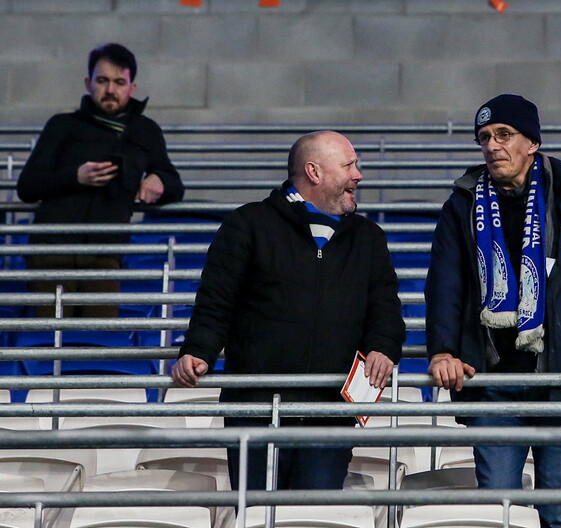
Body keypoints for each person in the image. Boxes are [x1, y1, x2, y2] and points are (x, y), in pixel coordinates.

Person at [425, 94, 561, 528]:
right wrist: (443, 350)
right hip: (493, 381)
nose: (492, 146)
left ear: (532, 143)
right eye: (484, 137)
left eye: (504, 135)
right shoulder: (463, 202)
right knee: (501, 519)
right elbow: (445, 285)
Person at [172, 131, 405, 491]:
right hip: (254, 410)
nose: (358, 175)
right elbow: (217, 300)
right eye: (349, 166)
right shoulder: (247, 224)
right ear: (314, 172)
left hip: (331, 413)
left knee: (311, 522)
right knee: (258, 519)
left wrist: (383, 346)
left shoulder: (368, 237)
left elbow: (385, 307)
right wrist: (198, 350)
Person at [17, 43, 183, 318]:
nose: (110, 90)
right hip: (52, 250)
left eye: (119, 82)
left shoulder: (146, 131)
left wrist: (158, 180)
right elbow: (27, 186)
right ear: (88, 83)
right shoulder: (61, 125)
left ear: (132, 87)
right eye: (102, 80)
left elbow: (174, 183)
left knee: (100, 340)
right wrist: (76, 177)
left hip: (106, 252)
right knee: (48, 338)